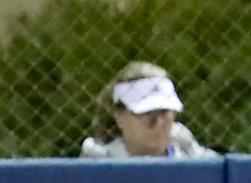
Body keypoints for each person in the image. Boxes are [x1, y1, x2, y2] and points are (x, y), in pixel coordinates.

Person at [79, 62, 218, 159]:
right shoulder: (100, 160)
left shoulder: (187, 149)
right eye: (146, 113)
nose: (159, 123)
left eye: (164, 111)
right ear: (119, 116)